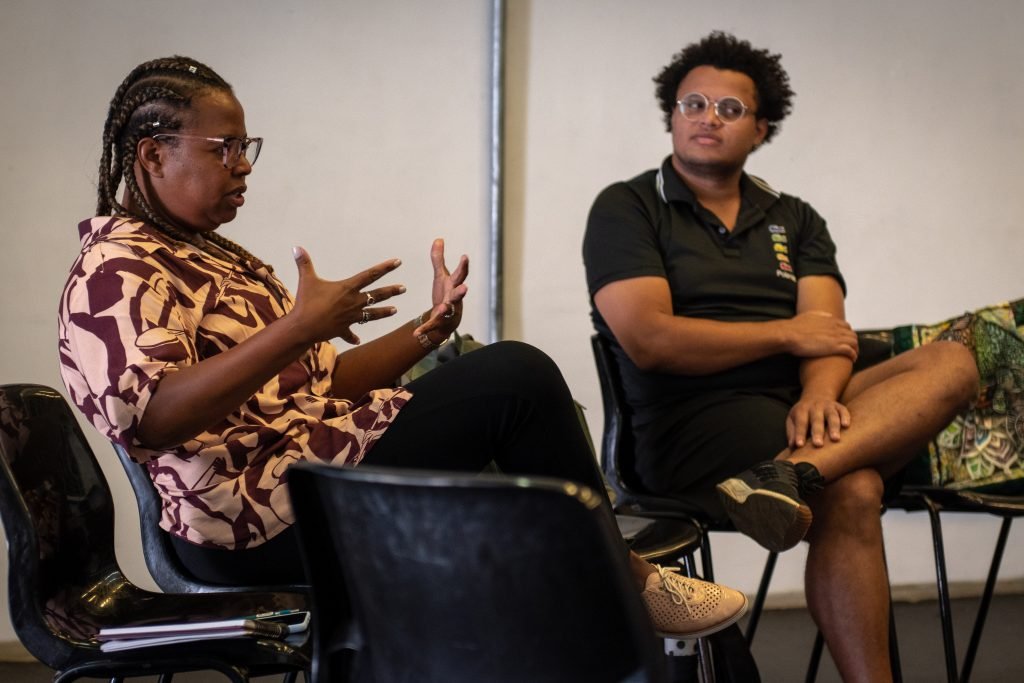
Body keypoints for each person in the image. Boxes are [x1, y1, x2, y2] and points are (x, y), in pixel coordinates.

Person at [57, 55, 748, 641]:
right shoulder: (118, 269)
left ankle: (597, 608)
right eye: (223, 148)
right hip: (245, 526)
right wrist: (293, 329)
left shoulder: (211, 258)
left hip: (299, 482)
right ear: (153, 153)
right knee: (516, 375)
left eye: (247, 147)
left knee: (502, 434)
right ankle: (621, 582)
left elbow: (323, 388)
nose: (242, 166)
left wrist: (427, 331)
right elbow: (147, 418)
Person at [583, 32, 980, 681]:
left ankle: (788, 476)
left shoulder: (794, 217)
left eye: (730, 108)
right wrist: (785, 337)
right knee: (855, 485)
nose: (708, 117)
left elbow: (827, 332)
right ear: (672, 116)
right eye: (694, 104)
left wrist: (821, 392)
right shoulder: (628, 207)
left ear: (761, 128)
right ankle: (802, 475)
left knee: (954, 361)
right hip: (686, 425)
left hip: (795, 411)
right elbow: (650, 339)